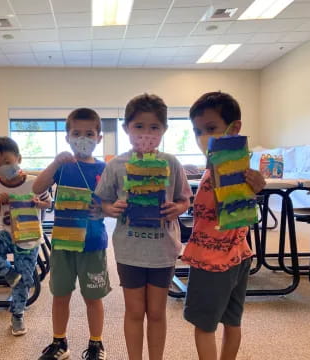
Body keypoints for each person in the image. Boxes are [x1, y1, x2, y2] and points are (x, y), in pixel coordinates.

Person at [95, 93, 192, 360]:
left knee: (158, 313)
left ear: (163, 131)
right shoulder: (116, 165)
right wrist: (110, 208)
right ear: (127, 129)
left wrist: (178, 208)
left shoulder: (171, 163)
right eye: (139, 126)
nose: (146, 133)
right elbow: (102, 200)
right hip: (129, 250)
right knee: (135, 311)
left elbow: (185, 198)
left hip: (162, 251)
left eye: (154, 127)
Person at [181, 91, 266, 360]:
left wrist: (254, 188)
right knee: (232, 321)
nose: (202, 137)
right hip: (238, 254)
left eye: (210, 129)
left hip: (212, 259)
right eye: (197, 131)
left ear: (234, 128)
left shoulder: (232, 170)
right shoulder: (221, 168)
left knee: (205, 326)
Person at [33, 108, 111, 360]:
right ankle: (59, 342)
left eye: (89, 133)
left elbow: (114, 203)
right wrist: (56, 161)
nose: (83, 138)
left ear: (99, 138)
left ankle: (96, 344)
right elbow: (37, 187)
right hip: (64, 242)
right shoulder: (63, 166)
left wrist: (103, 208)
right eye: (76, 133)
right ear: (67, 137)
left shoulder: (105, 168)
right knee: (60, 294)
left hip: (93, 242)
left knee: (93, 297)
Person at [0, 136, 51, 336]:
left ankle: (18, 314)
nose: (2, 167)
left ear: (18, 159)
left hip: (29, 239)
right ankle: (7, 271)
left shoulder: (33, 182)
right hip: (7, 234)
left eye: (7, 162)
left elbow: (49, 203)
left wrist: (38, 203)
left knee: (24, 279)